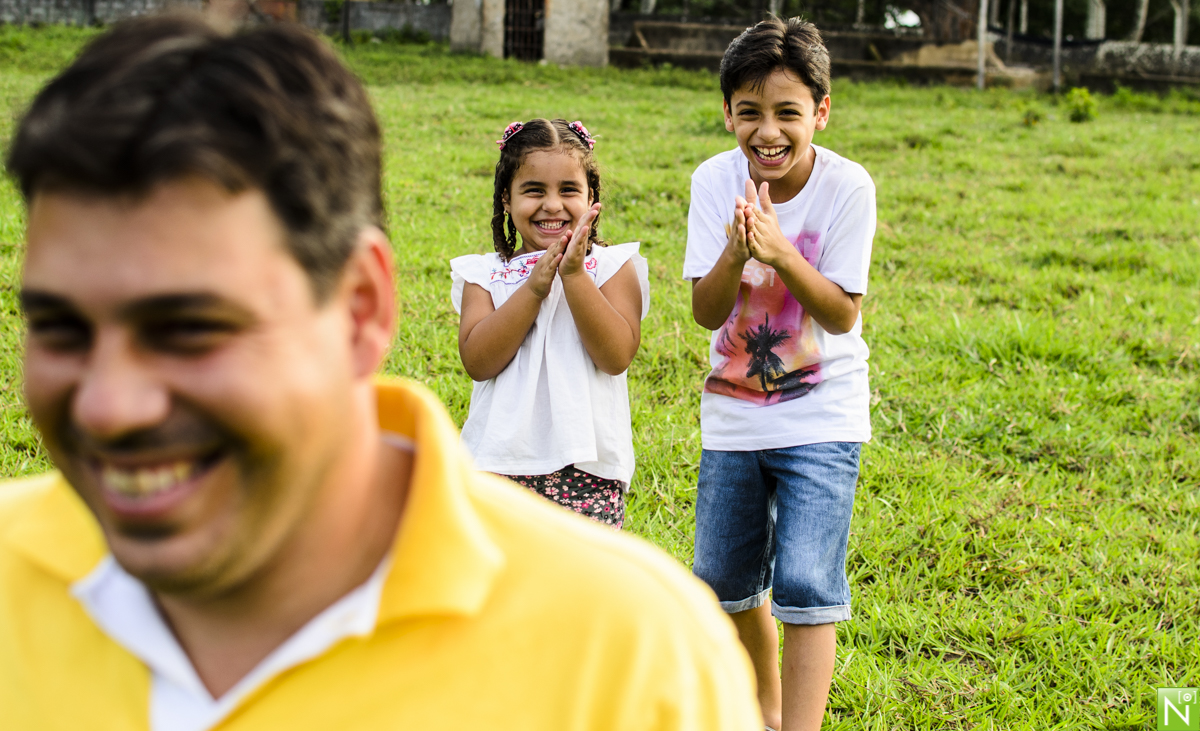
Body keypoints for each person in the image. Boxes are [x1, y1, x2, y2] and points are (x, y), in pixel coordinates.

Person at [0, 16, 763, 730]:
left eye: (192, 329)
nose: (109, 405)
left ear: (362, 309)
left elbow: (615, 349)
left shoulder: (634, 653)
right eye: (60, 327)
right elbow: (481, 353)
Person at [682, 16, 877, 731]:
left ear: (820, 112)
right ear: (727, 111)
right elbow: (706, 311)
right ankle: (761, 707)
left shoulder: (848, 186)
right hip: (733, 414)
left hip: (822, 413)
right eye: (750, 111)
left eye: (788, 112)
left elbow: (843, 313)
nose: (769, 130)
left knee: (805, 579)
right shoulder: (715, 180)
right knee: (726, 580)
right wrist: (737, 253)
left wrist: (783, 253)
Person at [451, 118, 648, 528]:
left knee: (581, 587)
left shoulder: (612, 268)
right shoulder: (485, 276)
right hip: (497, 466)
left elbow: (615, 356)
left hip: (588, 471)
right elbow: (478, 361)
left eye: (569, 190)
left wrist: (573, 276)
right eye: (534, 190)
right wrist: (533, 288)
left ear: (591, 196)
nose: (553, 205)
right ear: (506, 198)